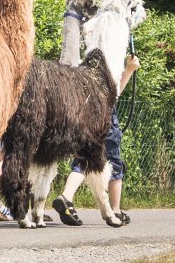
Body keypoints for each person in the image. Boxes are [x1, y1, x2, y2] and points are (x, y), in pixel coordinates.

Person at [53, 54, 142, 226]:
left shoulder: (84, 68)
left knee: (83, 158)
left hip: (84, 115)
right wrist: (129, 70)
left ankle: (66, 196)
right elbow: (114, 94)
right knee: (114, 162)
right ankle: (115, 209)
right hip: (105, 117)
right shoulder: (107, 64)